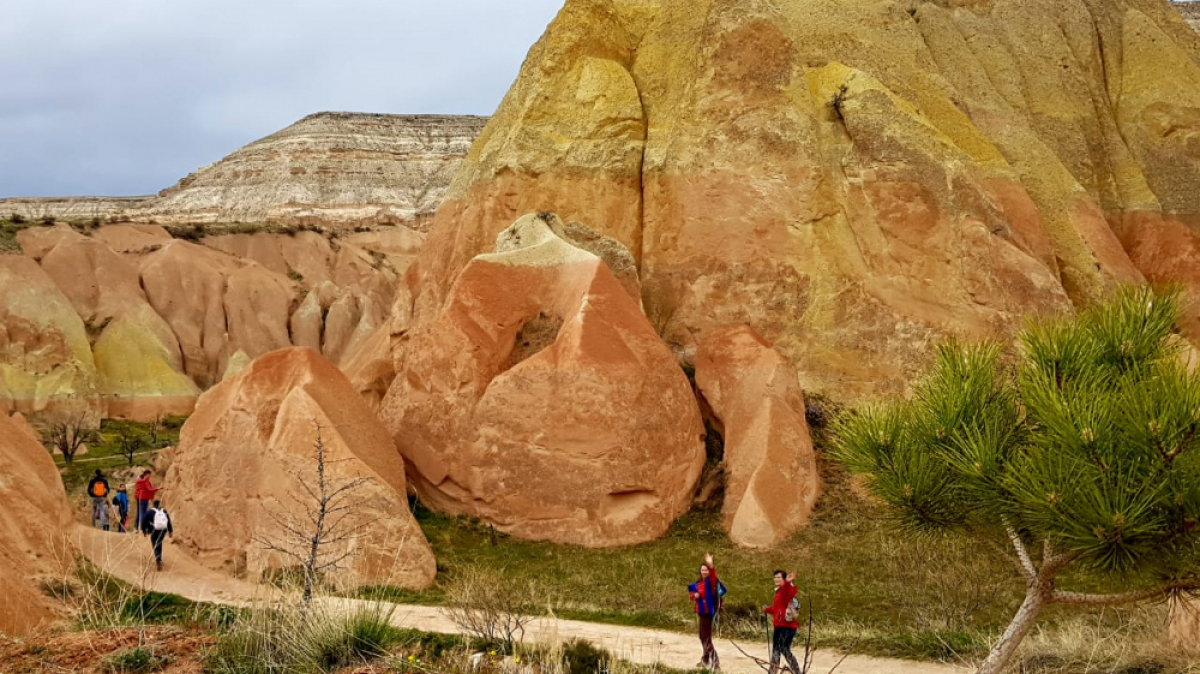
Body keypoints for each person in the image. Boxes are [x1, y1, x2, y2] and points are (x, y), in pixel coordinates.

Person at [688, 552, 723, 670]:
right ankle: (706, 659)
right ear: (700, 571)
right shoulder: (698, 582)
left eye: (706, 570)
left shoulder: (711, 582)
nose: (704, 572)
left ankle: (715, 662)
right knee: (702, 636)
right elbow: (691, 595)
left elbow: (713, 575)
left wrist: (711, 565)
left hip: (708, 612)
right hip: (701, 611)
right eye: (702, 570)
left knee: (705, 637)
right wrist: (694, 596)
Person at [763, 570, 800, 674]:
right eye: (775, 577)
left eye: (779, 577)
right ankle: (796, 670)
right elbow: (777, 608)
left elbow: (788, 592)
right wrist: (767, 609)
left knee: (778, 649)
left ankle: (773, 671)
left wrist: (788, 582)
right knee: (784, 649)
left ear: (784, 579)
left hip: (784, 626)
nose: (776, 579)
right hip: (785, 626)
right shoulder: (780, 592)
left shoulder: (786, 590)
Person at [140, 499, 173, 571]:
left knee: (155, 544)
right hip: (163, 530)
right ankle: (159, 559)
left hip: (154, 530)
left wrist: (144, 531)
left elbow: (144, 522)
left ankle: (158, 559)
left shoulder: (150, 512)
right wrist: (170, 531)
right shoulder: (164, 511)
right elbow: (168, 521)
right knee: (159, 543)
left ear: (154, 505)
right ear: (160, 505)